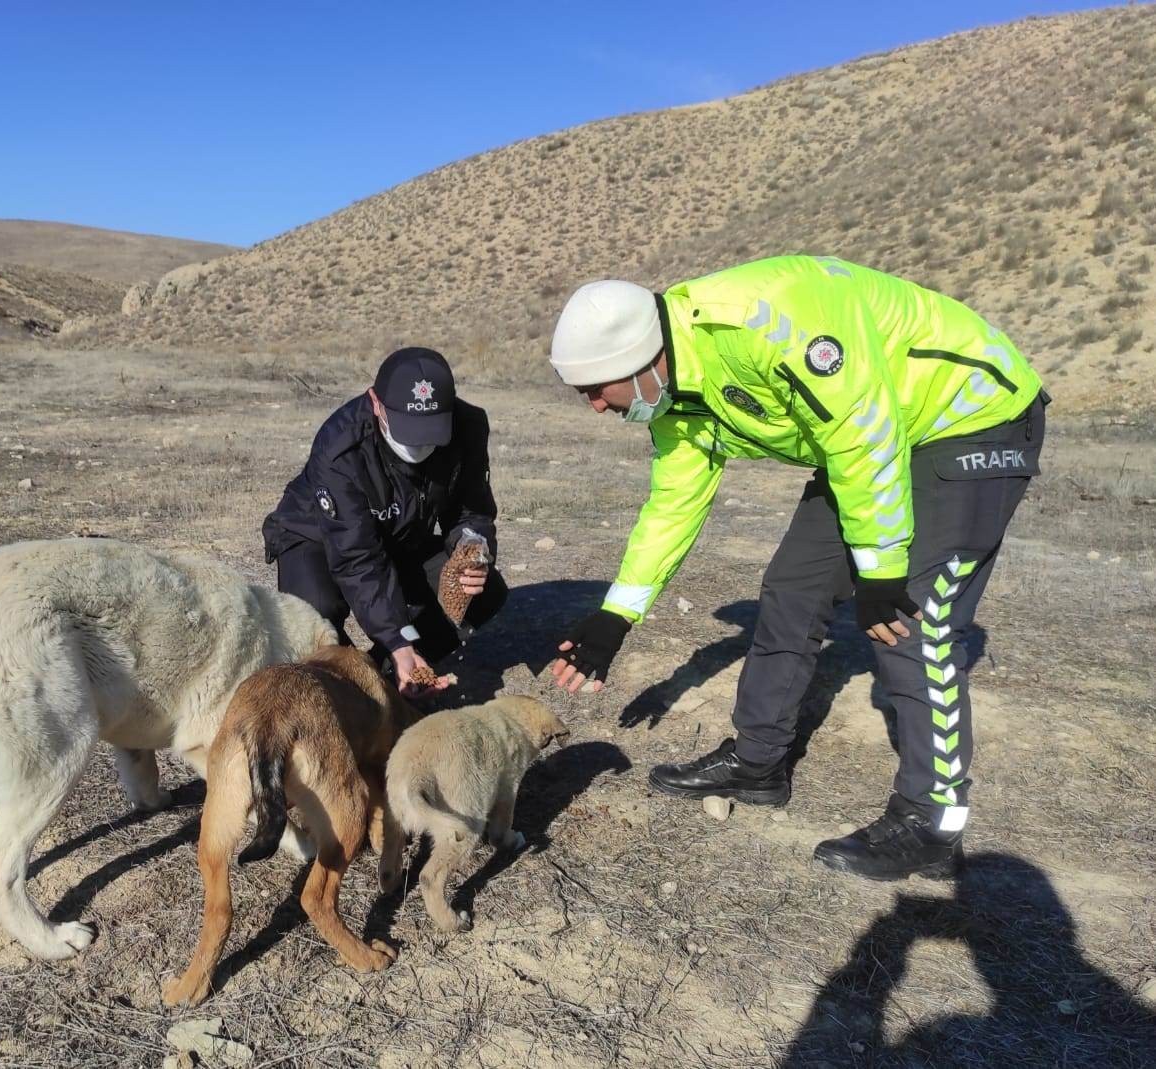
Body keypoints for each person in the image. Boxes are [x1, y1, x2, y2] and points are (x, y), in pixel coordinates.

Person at [545, 255, 1046, 881]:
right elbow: (674, 501)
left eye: (598, 389)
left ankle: (931, 822)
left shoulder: (764, 323)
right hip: (874, 436)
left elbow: (863, 431)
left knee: (913, 618)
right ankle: (758, 764)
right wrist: (616, 615)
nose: (594, 406)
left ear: (642, 359)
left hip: (968, 417)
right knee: (793, 589)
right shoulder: (673, 392)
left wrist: (881, 568)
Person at [263, 347, 507, 695]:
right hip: (316, 535)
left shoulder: (467, 428)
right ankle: (339, 688)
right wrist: (398, 635)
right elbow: (357, 557)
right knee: (314, 614)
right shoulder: (341, 447)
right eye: (409, 429)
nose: (420, 443)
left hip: (399, 537)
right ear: (376, 403)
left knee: (483, 592)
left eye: (431, 430)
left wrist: (474, 544)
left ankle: (387, 675)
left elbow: (472, 509)